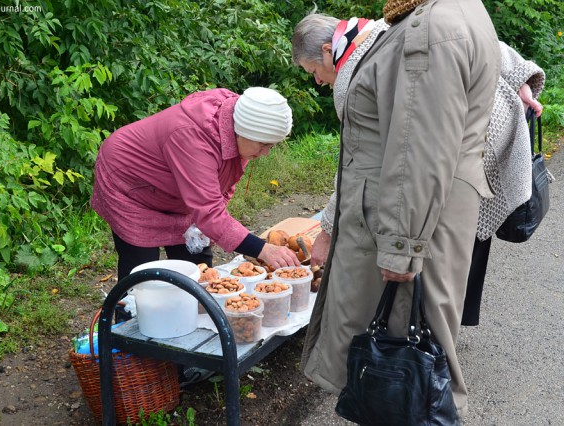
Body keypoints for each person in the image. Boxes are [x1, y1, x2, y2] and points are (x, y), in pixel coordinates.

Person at [294, 0, 501, 418]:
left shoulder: (433, 27)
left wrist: (402, 244)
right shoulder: (454, 12)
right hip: (429, 212)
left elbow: (418, 147)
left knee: (406, 365)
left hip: (413, 219)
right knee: (418, 354)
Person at [292, 13, 545, 327]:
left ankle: (426, 338)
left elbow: (356, 165)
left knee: (436, 233)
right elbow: (479, 38)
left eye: (313, 71)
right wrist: (521, 78)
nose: (317, 80)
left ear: (329, 50)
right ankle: (446, 325)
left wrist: (328, 231)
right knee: (462, 236)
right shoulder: (383, 25)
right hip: (495, 124)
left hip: (467, 147)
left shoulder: (350, 78)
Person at [91, 87, 301, 283]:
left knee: (198, 268)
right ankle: (126, 317)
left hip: (176, 187)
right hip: (130, 182)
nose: (266, 153)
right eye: (263, 145)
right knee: (142, 272)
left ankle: (192, 314)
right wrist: (262, 249)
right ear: (242, 131)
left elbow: (223, 185)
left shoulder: (238, 129)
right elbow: (209, 212)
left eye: (271, 146)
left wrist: (206, 224)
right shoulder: (194, 139)